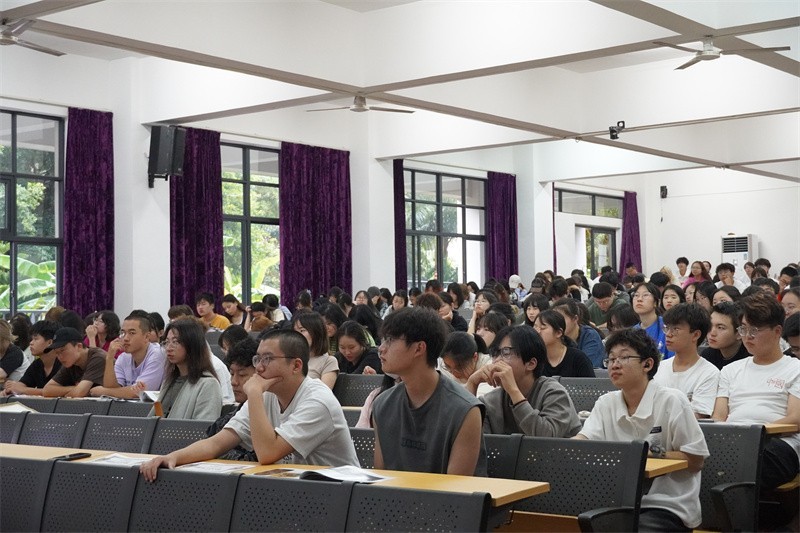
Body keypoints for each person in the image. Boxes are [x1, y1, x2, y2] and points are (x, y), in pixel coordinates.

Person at [139, 328, 359, 481]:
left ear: (296, 365)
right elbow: (217, 443)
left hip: (340, 494)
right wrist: (173, 457)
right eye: (258, 359)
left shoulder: (317, 401)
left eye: (267, 359)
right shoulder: (267, 393)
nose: (260, 367)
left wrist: (253, 394)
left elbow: (267, 453)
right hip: (296, 488)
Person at [575, 328, 709, 532]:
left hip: (665, 505)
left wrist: (648, 453)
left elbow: (696, 461)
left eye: (624, 357)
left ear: (647, 364)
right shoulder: (606, 402)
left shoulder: (672, 400)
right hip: (617, 500)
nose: (615, 365)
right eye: (611, 359)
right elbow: (584, 440)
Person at [372, 307, 487, 476]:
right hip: (395, 493)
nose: (381, 349)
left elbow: (458, 487)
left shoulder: (465, 410)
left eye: (390, 340)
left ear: (419, 348)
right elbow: (379, 480)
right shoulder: (382, 404)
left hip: (447, 493)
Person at [712, 291, 800, 490]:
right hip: (732, 441)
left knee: (747, 459)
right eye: (743, 329)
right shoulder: (730, 370)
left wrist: (754, 433)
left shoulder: (795, 369)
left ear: (777, 331)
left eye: (755, 330)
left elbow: (795, 421)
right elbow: (718, 417)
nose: (747, 337)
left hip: (778, 444)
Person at [467, 326, 581, 437]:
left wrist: (513, 391)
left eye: (506, 353)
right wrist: (472, 384)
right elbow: (472, 440)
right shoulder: (492, 401)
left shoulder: (554, 393)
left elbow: (546, 438)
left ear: (531, 364)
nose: (497, 361)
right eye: (495, 354)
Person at [149, 318, 222, 421]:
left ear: (192, 344)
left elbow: (204, 426)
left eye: (175, 342)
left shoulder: (208, 384)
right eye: (166, 342)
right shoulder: (169, 380)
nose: (169, 348)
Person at [653, 304, 718, 418]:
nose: (668, 334)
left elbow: (697, 417)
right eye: (667, 328)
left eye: (676, 329)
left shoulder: (709, 373)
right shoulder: (659, 367)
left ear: (696, 335)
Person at [205, 337, 259, 461]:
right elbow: (212, 444)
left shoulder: (271, 411)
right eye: (232, 374)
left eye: (242, 375)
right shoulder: (227, 419)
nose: (234, 382)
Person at [89, 313, 166, 399]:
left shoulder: (157, 355)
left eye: (132, 333)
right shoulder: (124, 357)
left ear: (147, 337)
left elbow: (139, 393)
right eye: (123, 333)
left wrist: (103, 391)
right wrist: (109, 358)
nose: (125, 338)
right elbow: (111, 387)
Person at [42, 327, 107, 397]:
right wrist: (75, 388)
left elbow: (78, 393)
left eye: (62, 350)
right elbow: (46, 391)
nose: (60, 357)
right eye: (56, 353)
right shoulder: (71, 362)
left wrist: (64, 391)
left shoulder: (98, 358)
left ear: (79, 346)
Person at [3, 320, 61, 396]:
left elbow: (57, 392)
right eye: (31, 339)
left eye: (36, 339)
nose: (31, 343)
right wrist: (12, 387)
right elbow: (22, 384)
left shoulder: (63, 364)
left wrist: (23, 389)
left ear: (50, 342)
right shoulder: (37, 364)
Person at [533, 310, 594, 377]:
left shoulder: (578, 358)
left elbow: (590, 383)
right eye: (535, 327)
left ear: (559, 333)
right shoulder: (534, 358)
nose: (537, 331)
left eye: (543, 328)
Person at [552, 298, 605, 368]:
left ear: (575, 318)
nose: (557, 324)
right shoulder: (554, 336)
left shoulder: (590, 336)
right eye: (554, 320)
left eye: (562, 319)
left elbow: (587, 367)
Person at [292, 312, 339, 388]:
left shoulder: (328, 361)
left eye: (302, 330)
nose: (297, 335)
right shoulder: (290, 359)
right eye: (295, 331)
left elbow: (324, 392)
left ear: (316, 332)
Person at [438, 331, 493, 396]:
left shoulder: (489, 370)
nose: (454, 374)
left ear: (475, 357)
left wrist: (472, 383)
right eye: (448, 366)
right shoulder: (442, 367)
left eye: (459, 368)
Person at [701, 302, 751, 369]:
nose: (712, 333)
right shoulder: (707, 356)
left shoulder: (751, 359)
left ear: (739, 333)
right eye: (710, 325)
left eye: (720, 328)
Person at [632, 282, 673, 360]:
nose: (639, 299)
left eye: (645, 295)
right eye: (636, 295)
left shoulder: (668, 327)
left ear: (656, 302)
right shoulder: (632, 332)